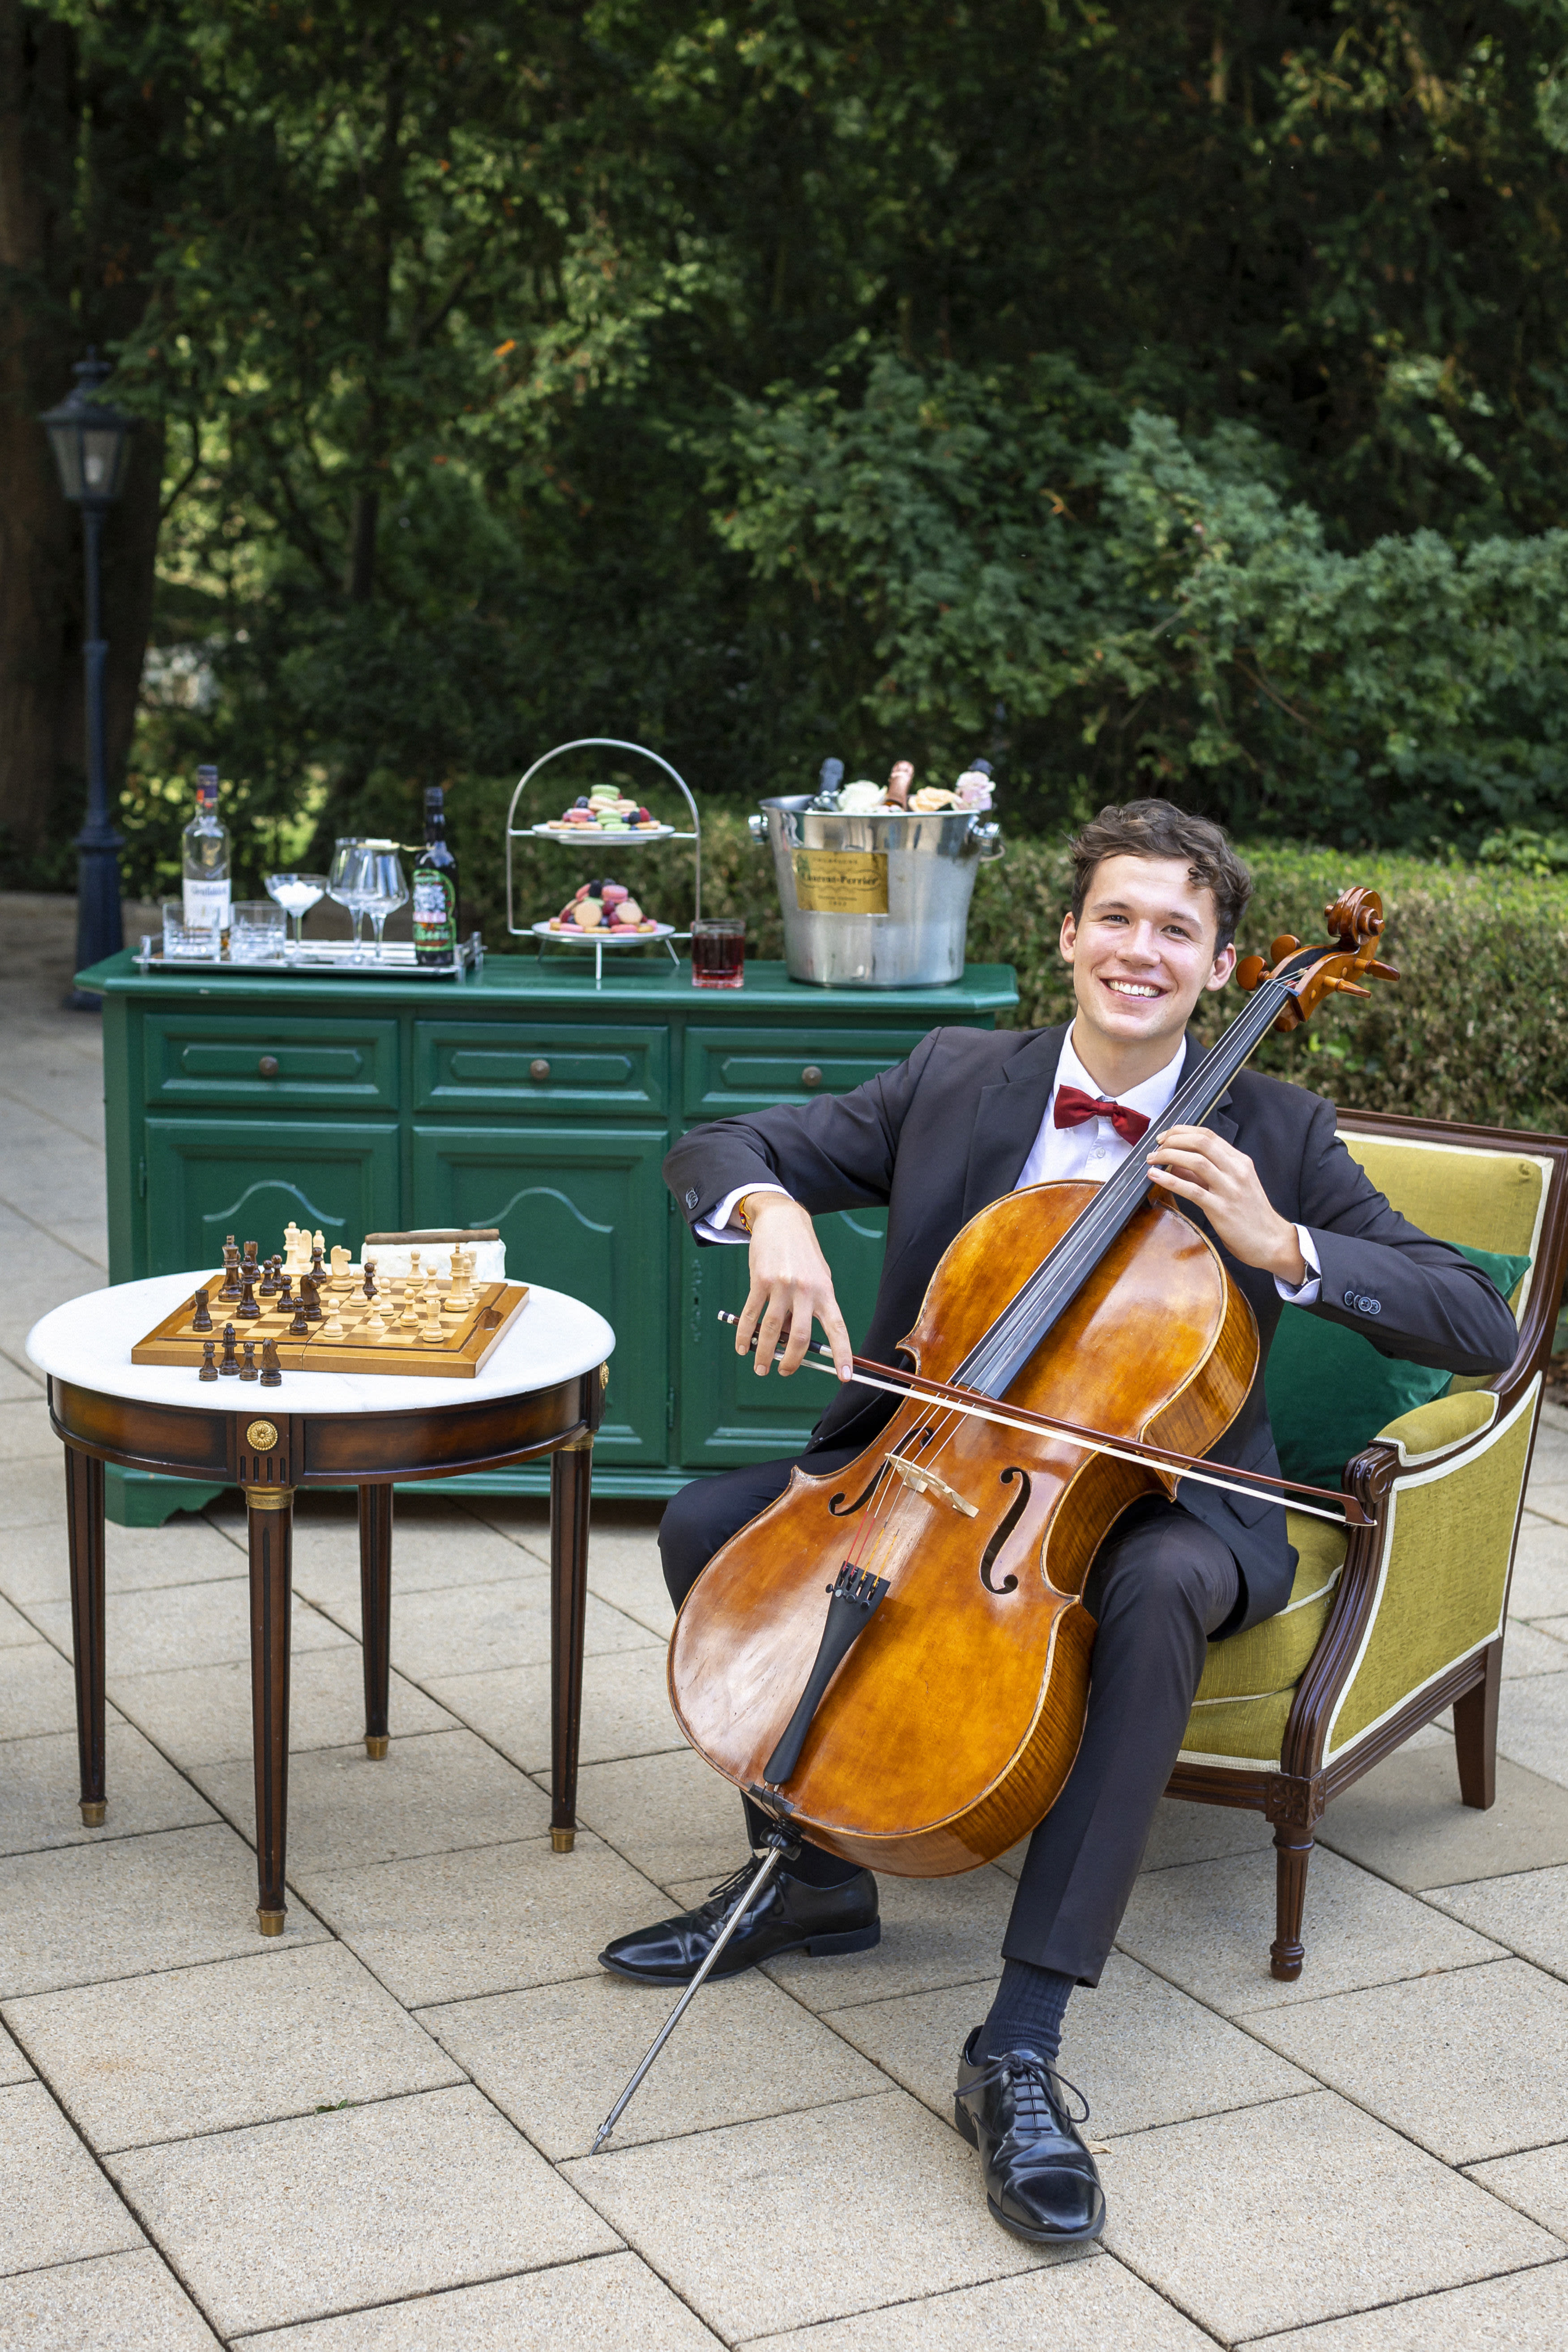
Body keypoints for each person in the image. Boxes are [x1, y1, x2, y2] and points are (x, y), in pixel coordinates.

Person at [598, 798, 1518, 2246]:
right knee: (713, 1529)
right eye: (1118, 918)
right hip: (939, 1458)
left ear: (1220, 966)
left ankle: (1020, 2043)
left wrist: (1285, 1244)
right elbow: (721, 1143)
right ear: (1070, 933)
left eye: (1177, 930)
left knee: (1154, 1595)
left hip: (1168, 1489)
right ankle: (815, 1879)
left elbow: (1480, 1322)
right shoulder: (960, 1075)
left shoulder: (1279, 1129)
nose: (1141, 951)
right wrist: (771, 1211)